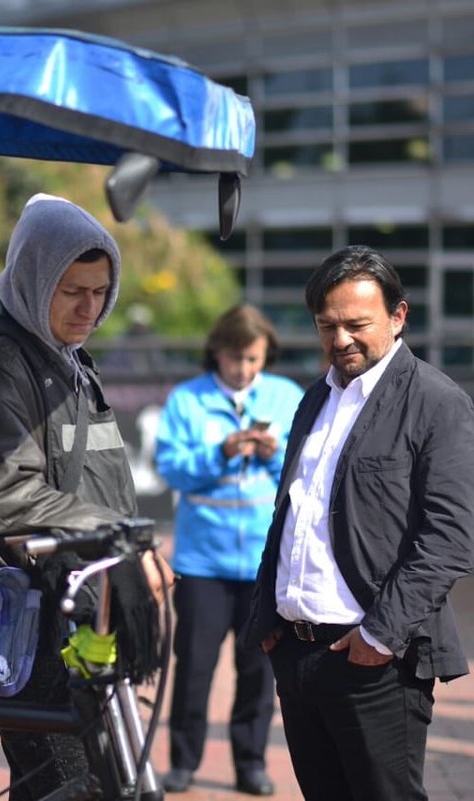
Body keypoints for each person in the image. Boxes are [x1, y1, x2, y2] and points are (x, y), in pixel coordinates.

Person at [0, 193, 172, 800]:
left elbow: (96, 481)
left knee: (92, 783)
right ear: (33, 279)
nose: (91, 308)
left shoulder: (68, 357)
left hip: (79, 604)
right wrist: (121, 540)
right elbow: (2, 496)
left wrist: (121, 551)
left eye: (101, 291)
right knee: (63, 785)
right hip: (32, 619)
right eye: (72, 291)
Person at [245, 245, 474, 800]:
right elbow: (292, 513)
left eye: (357, 325)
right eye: (326, 326)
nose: (340, 340)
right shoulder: (315, 398)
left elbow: (449, 539)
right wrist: (267, 617)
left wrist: (379, 636)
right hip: (297, 652)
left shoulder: (437, 403)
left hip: (375, 659)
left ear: (398, 317)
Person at [154, 304, 303, 796]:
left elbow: (307, 466)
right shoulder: (187, 400)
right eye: (236, 358)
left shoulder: (286, 396)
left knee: (258, 671)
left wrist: (273, 456)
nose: (244, 369)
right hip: (202, 562)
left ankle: (250, 764)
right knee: (194, 668)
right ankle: (183, 762)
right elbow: (171, 468)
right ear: (216, 351)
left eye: (254, 359)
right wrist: (221, 452)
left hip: (264, 561)